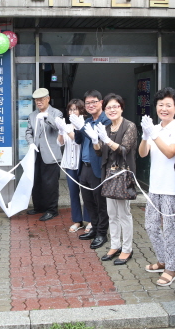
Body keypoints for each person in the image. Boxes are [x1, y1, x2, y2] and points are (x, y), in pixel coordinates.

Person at [139, 87, 175, 286]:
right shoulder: (155, 129)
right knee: (151, 226)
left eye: (168, 105)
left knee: (169, 229)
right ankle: (162, 260)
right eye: (160, 105)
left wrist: (153, 134)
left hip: (171, 188)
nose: (164, 109)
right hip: (155, 186)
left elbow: (170, 153)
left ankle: (171, 268)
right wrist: (145, 136)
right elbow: (143, 153)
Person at [94, 93, 137, 265]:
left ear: (121, 108)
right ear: (105, 110)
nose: (112, 110)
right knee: (111, 213)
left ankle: (127, 249)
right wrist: (95, 141)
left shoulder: (129, 126)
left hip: (122, 175)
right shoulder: (106, 128)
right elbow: (100, 152)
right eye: (109, 107)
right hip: (108, 175)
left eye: (115, 106)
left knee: (124, 214)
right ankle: (115, 245)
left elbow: (125, 149)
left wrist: (107, 141)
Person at [72, 90, 112, 250]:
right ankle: (94, 228)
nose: (90, 105)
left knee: (101, 203)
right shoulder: (87, 120)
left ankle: (102, 233)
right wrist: (77, 128)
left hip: (98, 167)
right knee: (88, 201)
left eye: (94, 102)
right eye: (87, 103)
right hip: (85, 167)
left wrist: (83, 128)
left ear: (101, 102)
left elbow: (100, 143)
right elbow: (78, 140)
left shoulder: (106, 121)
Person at [25, 88, 64, 222]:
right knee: (37, 182)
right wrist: (31, 143)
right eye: (36, 100)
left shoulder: (56, 113)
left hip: (51, 154)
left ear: (48, 99)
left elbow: (58, 128)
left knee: (50, 184)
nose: (39, 102)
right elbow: (28, 132)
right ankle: (39, 207)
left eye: (41, 99)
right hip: (36, 154)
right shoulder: (32, 115)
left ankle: (51, 210)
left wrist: (46, 117)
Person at [55, 99, 91, 233]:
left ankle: (90, 220)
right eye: (70, 110)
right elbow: (60, 143)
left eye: (75, 109)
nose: (72, 112)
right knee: (73, 193)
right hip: (69, 165)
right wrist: (61, 130)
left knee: (87, 193)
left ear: (81, 110)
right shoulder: (67, 126)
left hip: (82, 164)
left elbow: (77, 141)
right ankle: (77, 220)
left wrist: (66, 129)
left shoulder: (85, 125)